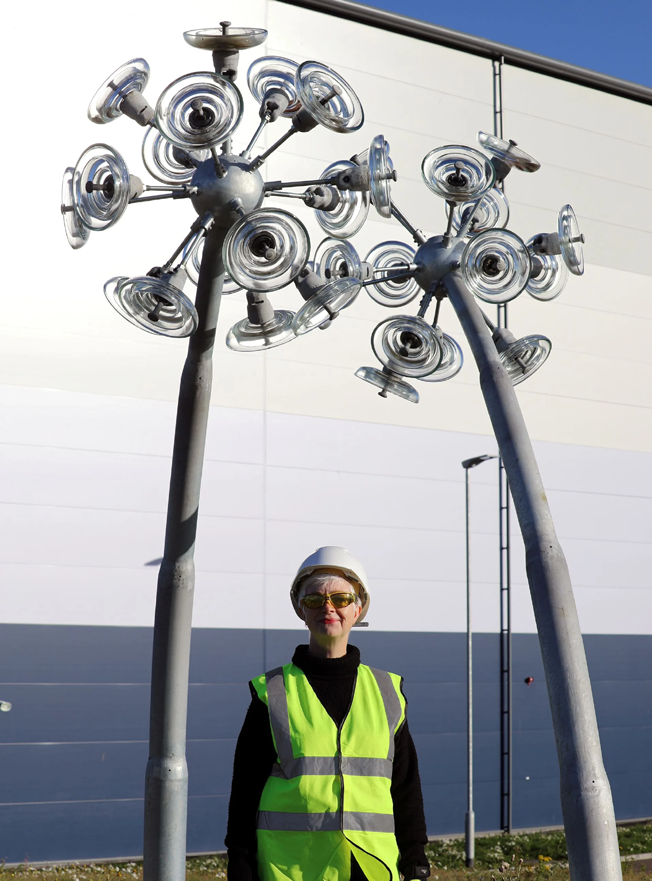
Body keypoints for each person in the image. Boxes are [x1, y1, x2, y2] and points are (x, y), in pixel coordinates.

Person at [225, 546, 430, 881]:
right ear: (300, 609)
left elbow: (405, 787)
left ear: (358, 608)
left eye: (341, 598)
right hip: (293, 870)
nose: (328, 607)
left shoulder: (387, 692)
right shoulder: (273, 693)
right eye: (314, 599)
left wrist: (415, 858)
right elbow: (245, 793)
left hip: (372, 869)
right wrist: (240, 864)